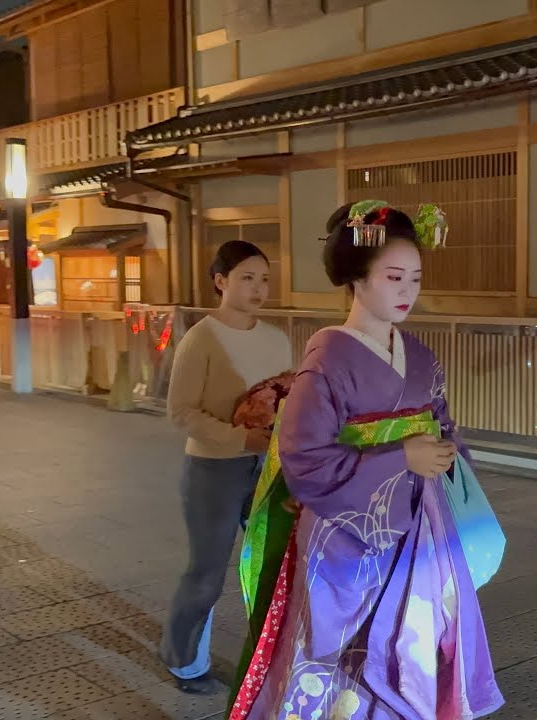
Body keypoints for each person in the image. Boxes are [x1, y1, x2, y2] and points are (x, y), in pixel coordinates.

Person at [227, 202, 504, 720]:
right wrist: (401, 456)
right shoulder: (327, 360)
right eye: (394, 277)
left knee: (417, 647)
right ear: (356, 279)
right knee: (342, 658)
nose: (408, 291)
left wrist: (446, 454)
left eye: (416, 278)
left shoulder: (420, 356)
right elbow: (305, 457)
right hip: (345, 539)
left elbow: (442, 423)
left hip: (420, 527)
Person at [161, 240, 293, 694]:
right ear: (220, 281)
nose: (258, 288)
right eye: (247, 277)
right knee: (208, 571)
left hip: (269, 468)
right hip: (213, 471)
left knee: (274, 567)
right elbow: (181, 411)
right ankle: (184, 661)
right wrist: (241, 437)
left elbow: (288, 400)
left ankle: (271, 660)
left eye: (264, 279)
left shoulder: (277, 338)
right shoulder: (201, 338)